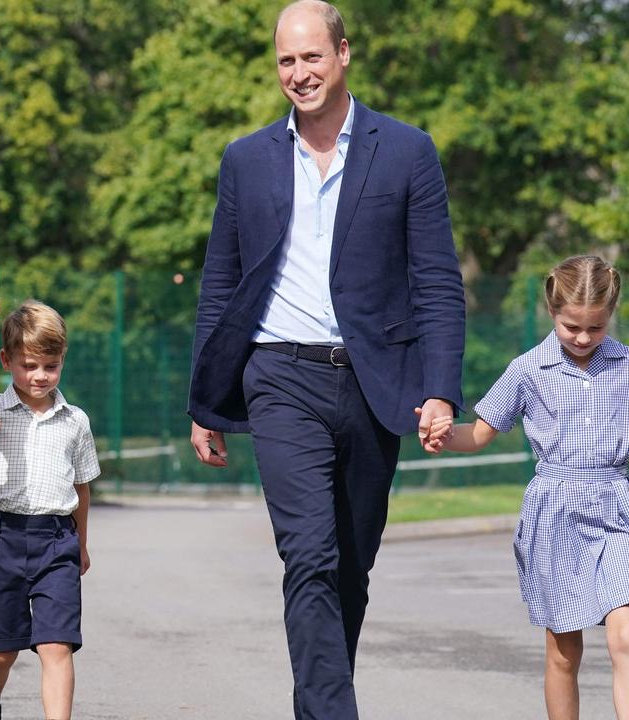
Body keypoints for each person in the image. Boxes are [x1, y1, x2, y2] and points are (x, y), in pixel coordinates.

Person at [186, 2, 466, 717]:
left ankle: (319, 701)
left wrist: (440, 391)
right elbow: (220, 282)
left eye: (312, 57)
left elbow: (436, 281)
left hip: (375, 385)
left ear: (344, 54)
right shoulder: (246, 159)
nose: (299, 73)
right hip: (278, 376)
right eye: (286, 60)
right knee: (308, 557)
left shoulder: (406, 151)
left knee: (349, 567)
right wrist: (204, 402)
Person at [426, 255, 629, 720]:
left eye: (595, 328)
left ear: (610, 316)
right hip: (555, 514)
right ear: (551, 312)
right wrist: (441, 435)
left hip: (618, 508)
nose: (582, 338)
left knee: (627, 634)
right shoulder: (527, 369)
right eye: (571, 326)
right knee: (563, 651)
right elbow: (479, 433)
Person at [0, 300, 99, 720]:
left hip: (58, 542)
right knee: (0, 653)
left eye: (50, 366)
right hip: (3, 542)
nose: (40, 376)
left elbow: (81, 490)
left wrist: (81, 545)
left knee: (57, 645)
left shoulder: (75, 421)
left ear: (62, 361)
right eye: (29, 365)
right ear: (6, 360)